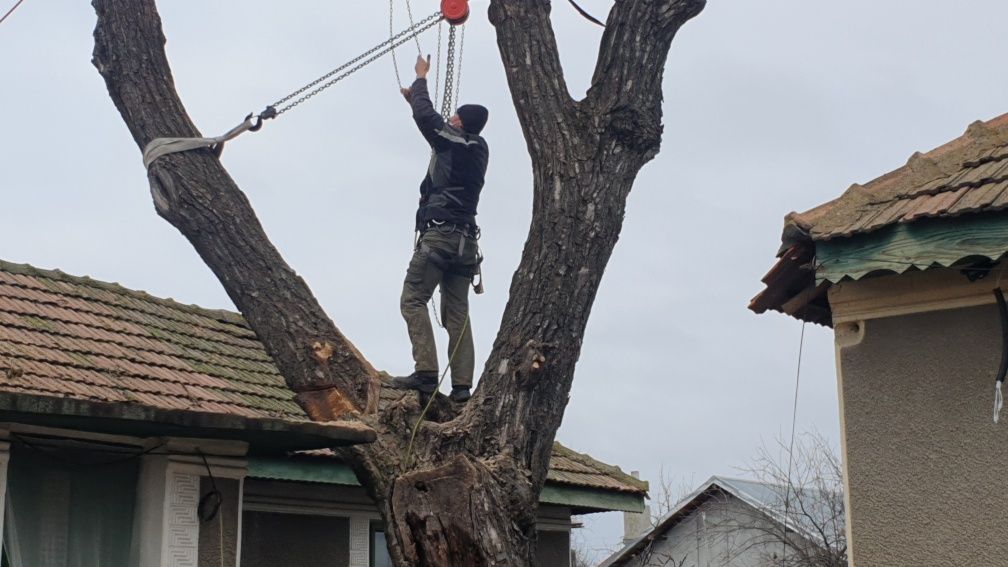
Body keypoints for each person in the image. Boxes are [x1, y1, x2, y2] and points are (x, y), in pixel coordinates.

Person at [390, 54, 489, 403]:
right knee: (457, 313)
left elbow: (427, 118)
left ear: (460, 122)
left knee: (413, 298)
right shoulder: (478, 149)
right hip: (465, 244)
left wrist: (420, 79)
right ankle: (462, 389)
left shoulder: (455, 141)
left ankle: (427, 374)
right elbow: (428, 121)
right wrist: (415, 100)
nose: (449, 120)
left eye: (454, 117)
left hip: (442, 236)